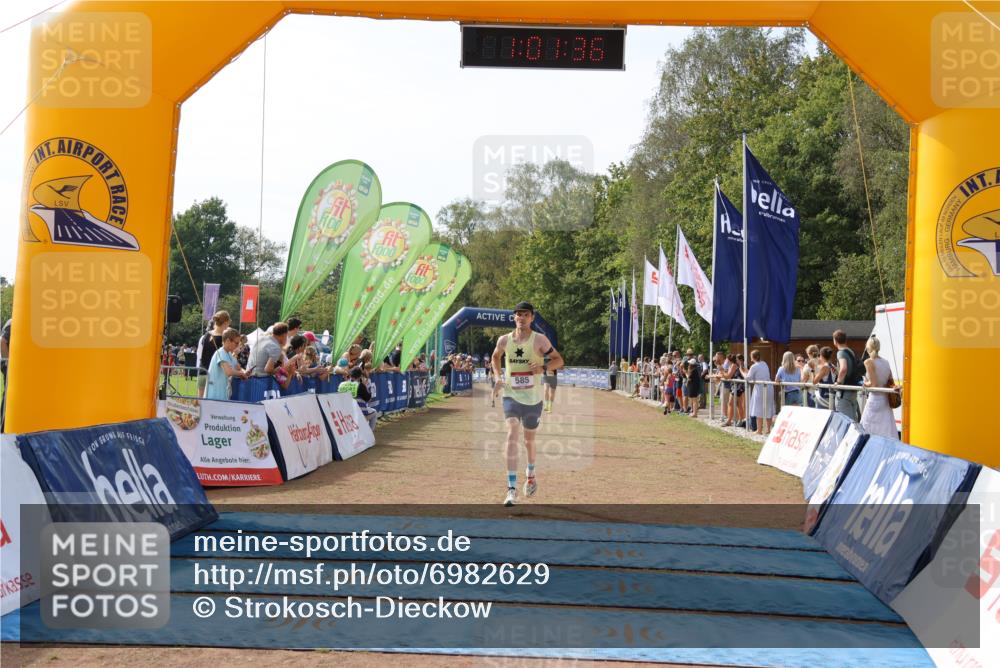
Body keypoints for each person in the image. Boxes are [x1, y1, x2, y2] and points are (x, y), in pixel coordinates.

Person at [491, 302, 564, 507]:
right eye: (518, 315)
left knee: (528, 441)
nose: (521, 318)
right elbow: (495, 357)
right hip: (511, 396)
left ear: (532, 318)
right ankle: (511, 489)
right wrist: (498, 376)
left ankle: (530, 473)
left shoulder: (539, 340)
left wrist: (542, 367)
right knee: (512, 432)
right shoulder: (504, 340)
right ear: (514, 317)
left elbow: (559, 360)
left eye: (525, 315)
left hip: (533, 399)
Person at [860, 336, 898, 438]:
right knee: (886, 431)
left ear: (868, 348)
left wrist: (865, 383)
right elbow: (891, 380)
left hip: (874, 399)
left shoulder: (868, 362)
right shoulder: (886, 362)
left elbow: (873, 383)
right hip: (885, 401)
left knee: (868, 430)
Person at [204, 328, 247, 400]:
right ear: (227, 341)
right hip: (214, 394)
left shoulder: (229, 354)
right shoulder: (221, 353)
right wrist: (241, 374)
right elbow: (228, 372)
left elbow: (238, 367)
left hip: (223, 394)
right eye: (236, 343)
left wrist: (245, 372)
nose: (238, 346)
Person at [196, 311, 230, 397]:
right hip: (213, 375)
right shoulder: (223, 339)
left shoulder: (206, 335)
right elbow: (225, 358)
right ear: (226, 323)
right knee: (211, 404)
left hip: (202, 372)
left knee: (200, 403)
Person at [834, 329, 863, 421]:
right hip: (852, 390)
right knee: (853, 419)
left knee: (844, 421)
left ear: (835, 341)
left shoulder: (840, 352)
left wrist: (838, 382)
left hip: (844, 392)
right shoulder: (850, 351)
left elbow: (844, 368)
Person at [339, 366, 378, 431]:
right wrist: (365, 386)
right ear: (360, 376)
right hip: (358, 413)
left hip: (344, 413)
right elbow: (368, 399)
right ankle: (370, 433)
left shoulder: (342, 384)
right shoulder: (360, 385)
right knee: (374, 412)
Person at [746, 350, 775, 434]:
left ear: (753, 357)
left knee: (759, 407)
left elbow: (748, 378)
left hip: (760, 388)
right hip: (769, 387)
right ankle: (768, 429)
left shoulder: (754, 366)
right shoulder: (764, 363)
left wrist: (743, 371)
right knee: (768, 407)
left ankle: (759, 430)